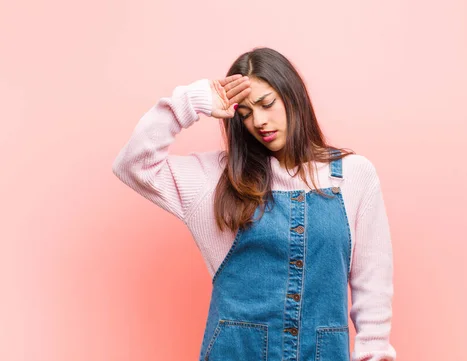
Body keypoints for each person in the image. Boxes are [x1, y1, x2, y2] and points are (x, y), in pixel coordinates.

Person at [112, 47, 396, 361]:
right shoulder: (216, 179)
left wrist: (374, 351)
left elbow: (373, 280)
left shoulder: (354, 176)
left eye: (266, 104)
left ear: (293, 97)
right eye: (244, 113)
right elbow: (132, 165)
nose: (258, 121)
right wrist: (190, 102)